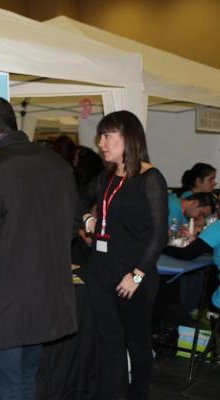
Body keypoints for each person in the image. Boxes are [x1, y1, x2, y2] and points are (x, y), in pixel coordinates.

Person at [0, 95, 77, 400]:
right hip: (45, 301)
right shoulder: (56, 165)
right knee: (24, 384)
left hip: (2, 308)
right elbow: (71, 227)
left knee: (4, 391)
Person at [81, 110, 167, 400]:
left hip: (133, 276)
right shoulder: (106, 177)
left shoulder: (150, 177)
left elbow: (159, 235)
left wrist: (138, 275)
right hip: (100, 272)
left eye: (108, 135)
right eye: (101, 136)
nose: (101, 142)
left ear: (128, 137)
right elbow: (78, 198)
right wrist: (86, 219)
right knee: (109, 342)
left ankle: (138, 394)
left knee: (137, 343)